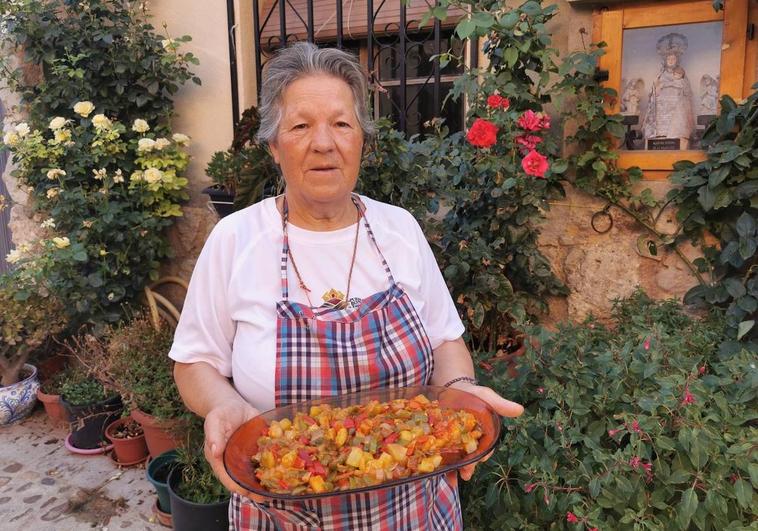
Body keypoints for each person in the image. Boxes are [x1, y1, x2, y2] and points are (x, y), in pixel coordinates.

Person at [169, 42, 523, 530]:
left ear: (361, 140)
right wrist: (225, 405)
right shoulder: (236, 239)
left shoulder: (399, 230)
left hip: (415, 514)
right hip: (284, 514)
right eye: (300, 125)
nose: (323, 142)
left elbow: (445, 339)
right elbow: (195, 361)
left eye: (341, 123)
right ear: (274, 146)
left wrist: (462, 394)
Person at [642, 33, 695, 150]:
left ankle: (677, 133)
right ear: (665, 60)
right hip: (662, 104)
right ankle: (659, 134)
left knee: (680, 105)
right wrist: (656, 90)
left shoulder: (682, 75)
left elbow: (687, 92)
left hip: (676, 104)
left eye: (673, 59)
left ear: (677, 60)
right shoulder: (660, 75)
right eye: (668, 59)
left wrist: (678, 85)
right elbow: (653, 92)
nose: (671, 61)